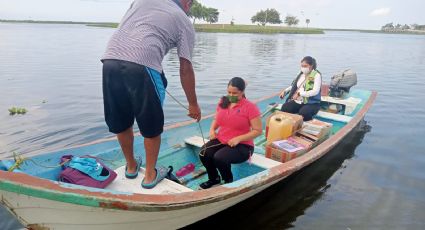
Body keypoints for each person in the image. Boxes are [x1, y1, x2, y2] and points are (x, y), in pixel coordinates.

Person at [101, 0, 201, 189]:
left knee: (121, 120)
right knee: (152, 125)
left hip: (110, 60)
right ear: (187, 3)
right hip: (142, 65)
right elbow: (185, 68)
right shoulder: (184, 20)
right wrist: (193, 104)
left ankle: (131, 166)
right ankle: (149, 175)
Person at [199, 77, 262, 189]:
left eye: (235, 93)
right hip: (222, 139)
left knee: (219, 157)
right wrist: (212, 130)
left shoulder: (250, 107)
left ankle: (228, 181)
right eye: (229, 92)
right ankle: (214, 179)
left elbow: (257, 131)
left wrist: (239, 138)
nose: (231, 95)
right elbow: (216, 119)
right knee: (204, 153)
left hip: (243, 145)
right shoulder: (223, 102)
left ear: (242, 92)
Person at [279, 56, 322, 121]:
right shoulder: (300, 74)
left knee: (304, 113)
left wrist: (299, 94)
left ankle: (307, 125)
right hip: (299, 101)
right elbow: (294, 86)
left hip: (312, 103)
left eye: (305, 66)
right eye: (302, 66)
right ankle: (286, 124)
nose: (303, 68)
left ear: (311, 66)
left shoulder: (316, 75)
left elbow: (315, 91)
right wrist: (285, 91)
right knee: (285, 107)